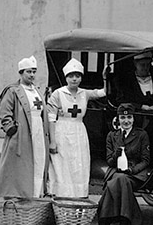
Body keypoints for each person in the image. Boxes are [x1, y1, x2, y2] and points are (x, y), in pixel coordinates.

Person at [46, 58, 108, 198]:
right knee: (63, 164)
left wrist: (105, 78)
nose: (74, 79)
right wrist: (53, 141)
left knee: (78, 163)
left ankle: (78, 196)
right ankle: (62, 196)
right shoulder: (58, 94)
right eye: (71, 76)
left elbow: (103, 92)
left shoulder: (84, 93)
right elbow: (51, 118)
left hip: (79, 131)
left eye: (77, 76)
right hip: (62, 131)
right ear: (66, 77)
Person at [0, 56, 50, 199]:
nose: (32, 75)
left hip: (38, 131)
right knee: (21, 166)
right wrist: (11, 128)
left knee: (38, 161)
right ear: (21, 73)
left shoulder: (36, 90)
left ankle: (36, 195)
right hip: (22, 133)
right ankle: (19, 196)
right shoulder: (13, 91)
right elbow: (5, 112)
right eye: (28, 72)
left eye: (34, 72)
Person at [97, 103, 151, 225]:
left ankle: (108, 219)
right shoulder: (112, 135)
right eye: (122, 118)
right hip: (116, 170)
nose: (126, 121)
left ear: (133, 119)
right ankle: (125, 220)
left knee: (118, 181)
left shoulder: (141, 135)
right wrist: (117, 151)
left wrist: (132, 170)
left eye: (129, 118)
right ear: (118, 119)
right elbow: (110, 161)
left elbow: (146, 160)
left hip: (135, 172)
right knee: (120, 179)